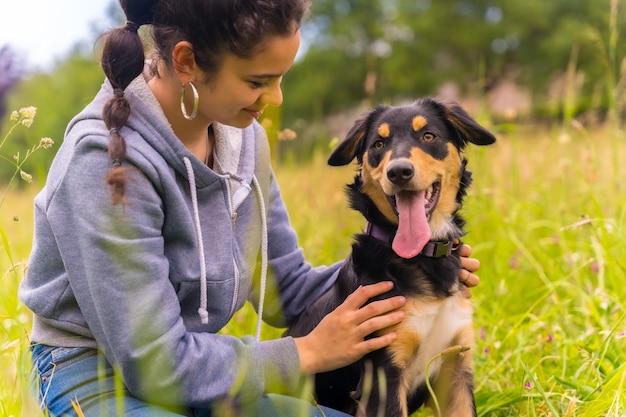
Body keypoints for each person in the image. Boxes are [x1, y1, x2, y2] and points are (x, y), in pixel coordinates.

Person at [19, 0, 481, 416]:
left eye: (281, 78)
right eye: (258, 81)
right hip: (97, 383)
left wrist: (408, 273)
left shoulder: (242, 136)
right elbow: (155, 365)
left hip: (206, 376)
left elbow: (292, 288)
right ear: (187, 61)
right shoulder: (105, 163)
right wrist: (307, 353)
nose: (276, 98)